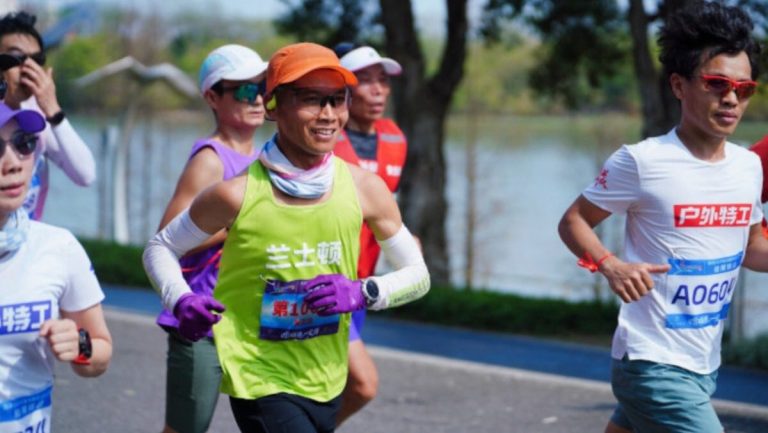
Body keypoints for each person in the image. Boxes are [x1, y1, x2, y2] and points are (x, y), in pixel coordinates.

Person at [143, 42, 430, 433]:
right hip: (258, 373)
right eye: (311, 99)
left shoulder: (366, 188)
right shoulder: (234, 194)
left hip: (325, 374)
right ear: (273, 106)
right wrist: (181, 298)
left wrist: (364, 292)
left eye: (337, 100)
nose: (328, 114)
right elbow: (160, 247)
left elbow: (418, 275)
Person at [558, 2, 767, 432]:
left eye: (744, 89)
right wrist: (610, 265)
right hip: (650, 361)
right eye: (716, 83)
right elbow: (573, 220)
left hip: (703, 360)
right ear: (679, 85)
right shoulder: (642, 161)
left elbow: (752, 248)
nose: (731, 98)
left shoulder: (748, 166)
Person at [154, 44, 268, 433]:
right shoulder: (210, 159)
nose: (258, 99)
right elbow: (166, 237)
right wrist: (238, 223)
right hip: (203, 319)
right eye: (246, 90)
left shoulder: (265, 157)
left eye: (262, 88)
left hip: (250, 320)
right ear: (212, 98)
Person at [0, 101, 111, 432]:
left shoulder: (58, 247)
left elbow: (100, 351)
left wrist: (80, 345)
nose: (13, 163)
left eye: (24, 143)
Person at [331, 42, 407, 425]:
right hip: (324, 280)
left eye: (383, 80)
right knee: (362, 385)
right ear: (343, 88)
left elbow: (385, 210)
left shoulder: (395, 139)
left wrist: (404, 240)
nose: (378, 90)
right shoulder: (323, 139)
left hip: (360, 286)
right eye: (365, 80)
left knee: (331, 386)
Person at [0, 11, 95, 220]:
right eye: (16, 58)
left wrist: (53, 110)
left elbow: (85, 175)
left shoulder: (37, 116)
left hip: (26, 237)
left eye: (37, 60)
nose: (28, 69)